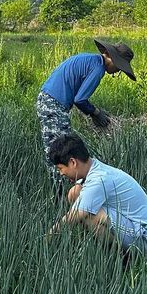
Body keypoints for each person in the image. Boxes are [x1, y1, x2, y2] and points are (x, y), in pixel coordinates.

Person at [37, 39, 135, 191]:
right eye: (119, 67)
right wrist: (96, 113)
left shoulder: (90, 60)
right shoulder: (98, 69)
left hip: (49, 101)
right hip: (53, 105)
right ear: (109, 56)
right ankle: (60, 196)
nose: (117, 71)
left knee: (60, 148)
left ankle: (64, 194)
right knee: (60, 151)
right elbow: (80, 99)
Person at [47, 133, 147, 255]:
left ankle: (120, 257)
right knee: (75, 193)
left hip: (144, 237)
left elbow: (73, 217)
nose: (61, 173)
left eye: (60, 168)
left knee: (87, 213)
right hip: (130, 225)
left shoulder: (99, 179)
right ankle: (108, 250)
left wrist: (46, 239)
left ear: (73, 162)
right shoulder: (93, 168)